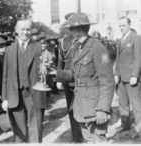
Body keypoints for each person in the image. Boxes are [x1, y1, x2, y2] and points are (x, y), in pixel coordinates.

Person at [50, 13, 114, 143]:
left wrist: (103, 109)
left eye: (71, 29)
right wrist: (55, 73)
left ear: (79, 30)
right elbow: (74, 74)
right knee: (88, 140)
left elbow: (107, 82)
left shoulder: (97, 48)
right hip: (82, 106)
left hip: (95, 108)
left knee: (98, 140)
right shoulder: (79, 48)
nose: (70, 32)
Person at [1, 18, 46, 143]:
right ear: (16, 30)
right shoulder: (9, 50)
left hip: (34, 95)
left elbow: (46, 70)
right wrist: (4, 98)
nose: (25, 32)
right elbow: (5, 76)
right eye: (22, 29)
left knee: (35, 131)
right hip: (15, 96)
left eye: (28, 29)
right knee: (20, 133)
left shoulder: (39, 48)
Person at [56, 12, 83, 143]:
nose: (69, 26)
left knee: (82, 109)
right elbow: (60, 61)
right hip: (67, 80)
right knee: (71, 110)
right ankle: (76, 138)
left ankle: (83, 136)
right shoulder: (63, 41)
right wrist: (59, 79)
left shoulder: (81, 39)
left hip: (80, 79)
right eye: (68, 24)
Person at [114, 16, 141, 138]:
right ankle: (125, 125)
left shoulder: (136, 38)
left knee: (136, 105)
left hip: (131, 78)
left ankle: (139, 129)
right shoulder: (120, 40)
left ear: (129, 24)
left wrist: (135, 75)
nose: (121, 28)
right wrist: (116, 74)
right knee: (123, 103)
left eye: (123, 25)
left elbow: (138, 58)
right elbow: (118, 60)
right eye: (119, 26)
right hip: (121, 79)